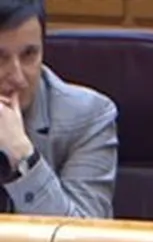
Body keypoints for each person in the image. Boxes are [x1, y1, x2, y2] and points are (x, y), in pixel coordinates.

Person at [0, 0, 116, 219]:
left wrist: (23, 155)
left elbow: (83, 234)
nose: (17, 77)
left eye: (29, 54)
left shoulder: (88, 116)